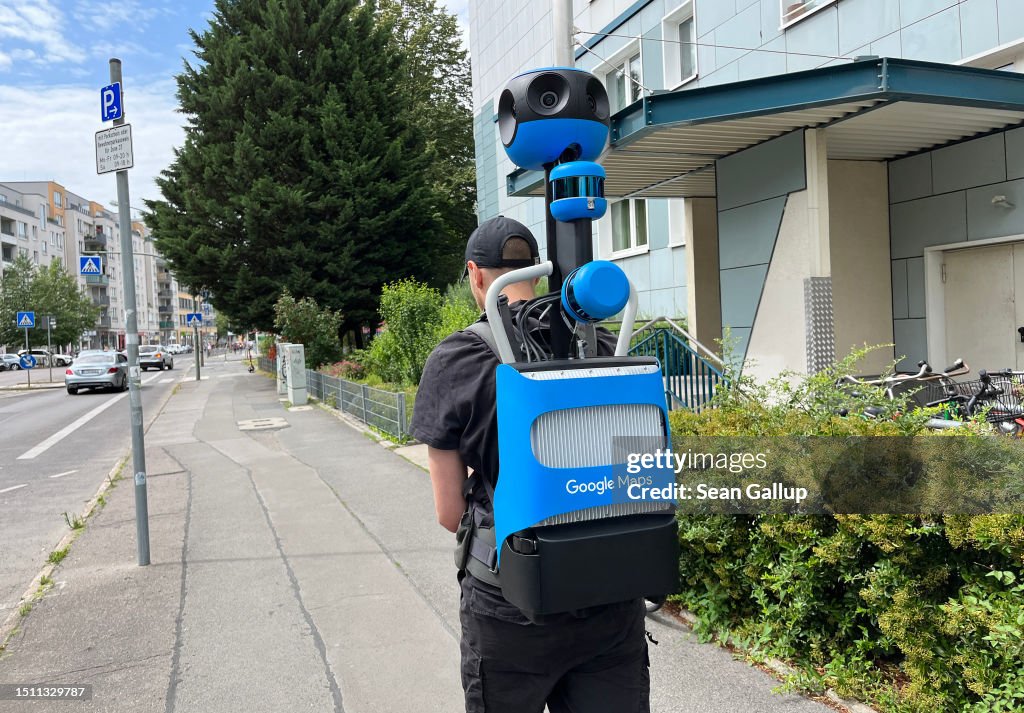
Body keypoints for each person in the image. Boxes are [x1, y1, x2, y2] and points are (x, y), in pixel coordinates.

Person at [411, 216, 649, 713]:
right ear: (539, 276)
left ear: (476, 276)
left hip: (510, 607)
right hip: (609, 597)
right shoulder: (605, 347)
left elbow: (449, 512)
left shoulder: (457, 359)